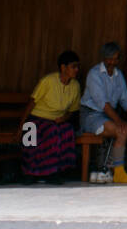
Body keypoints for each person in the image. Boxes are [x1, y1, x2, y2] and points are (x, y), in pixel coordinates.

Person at [81, 41, 127, 184]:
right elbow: (102, 104)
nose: (112, 62)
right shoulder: (94, 74)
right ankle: (119, 174)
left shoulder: (118, 75)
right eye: (109, 59)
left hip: (109, 117)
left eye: (115, 59)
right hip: (91, 116)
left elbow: (126, 100)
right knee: (121, 131)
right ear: (103, 58)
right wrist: (120, 122)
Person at [19, 50, 82, 184]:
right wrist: (21, 127)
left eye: (77, 66)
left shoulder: (75, 86)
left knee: (67, 130)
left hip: (57, 121)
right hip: (37, 119)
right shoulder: (48, 81)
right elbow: (31, 104)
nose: (77, 70)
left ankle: (54, 172)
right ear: (63, 67)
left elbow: (72, 110)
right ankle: (31, 172)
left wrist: (64, 119)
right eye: (73, 66)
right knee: (50, 131)